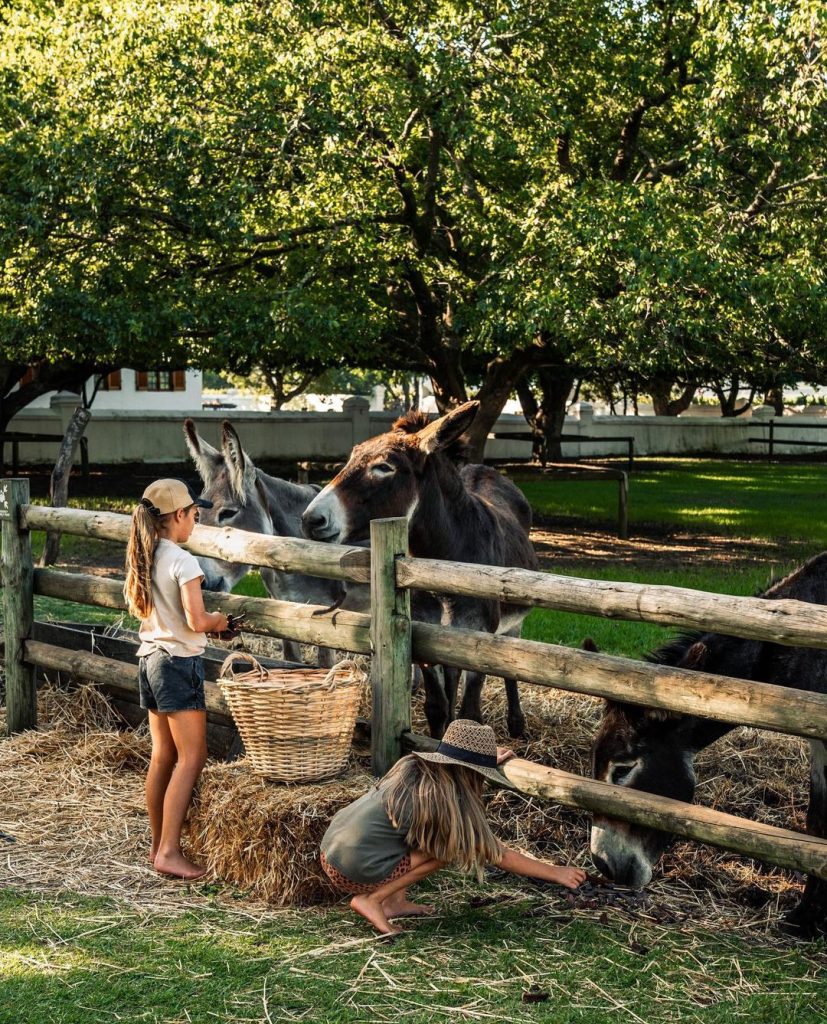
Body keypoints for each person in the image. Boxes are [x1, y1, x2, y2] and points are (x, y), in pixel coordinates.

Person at [320, 719, 587, 935]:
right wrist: (555, 872)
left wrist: (480, 758)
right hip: (355, 869)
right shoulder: (441, 802)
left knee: (415, 837)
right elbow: (496, 853)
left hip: (330, 852)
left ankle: (395, 903)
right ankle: (373, 900)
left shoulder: (414, 770)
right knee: (444, 851)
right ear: (469, 773)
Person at [124, 478, 234, 880]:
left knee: (163, 756)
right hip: (177, 664)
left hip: (150, 659)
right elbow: (196, 620)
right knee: (192, 757)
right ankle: (169, 851)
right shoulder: (183, 561)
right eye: (194, 514)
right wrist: (221, 622)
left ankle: (158, 846)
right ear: (177, 516)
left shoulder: (145, 553)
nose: (196, 521)